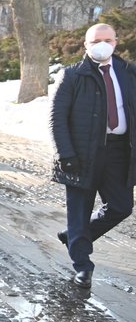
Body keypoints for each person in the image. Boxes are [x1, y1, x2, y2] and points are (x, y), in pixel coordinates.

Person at [51, 23, 136, 288]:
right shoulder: (72, 76)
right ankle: (83, 267)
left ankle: (77, 236)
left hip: (120, 152)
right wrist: (65, 154)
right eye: (96, 40)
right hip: (81, 155)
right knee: (79, 211)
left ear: (116, 42)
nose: (102, 44)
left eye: (107, 39)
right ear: (85, 45)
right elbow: (57, 120)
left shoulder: (129, 73)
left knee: (122, 206)